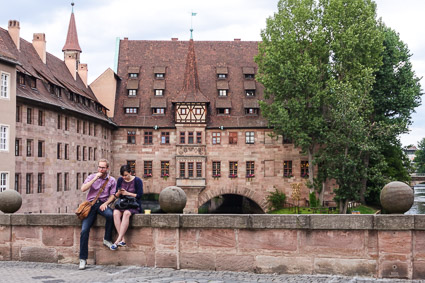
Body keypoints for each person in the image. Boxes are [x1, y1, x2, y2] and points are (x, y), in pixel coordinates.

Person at [79, 159, 117, 270]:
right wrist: (95, 178)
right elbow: (83, 189)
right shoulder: (92, 177)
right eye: (99, 167)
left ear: (107, 168)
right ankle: (82, 259)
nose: (101, 169)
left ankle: (107, 239)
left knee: (111, 215)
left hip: (102, 204)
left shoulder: (111, 180)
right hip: (91, 205)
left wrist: (106, 203)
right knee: (84, 230)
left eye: (103, 167)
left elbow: (113, 195)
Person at [111, 164, 143, 250]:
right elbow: (116, 195)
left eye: (126, 175)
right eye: (123, 175)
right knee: (115, 213)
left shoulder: (137, 180)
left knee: (126, 213)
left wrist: (127, 193)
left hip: (133, 204)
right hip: (122, 203)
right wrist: (119, 193)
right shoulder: (120, 180)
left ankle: (117, 241)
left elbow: (139, 195)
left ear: (130, 172)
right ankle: (123, 239)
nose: (124, 177)